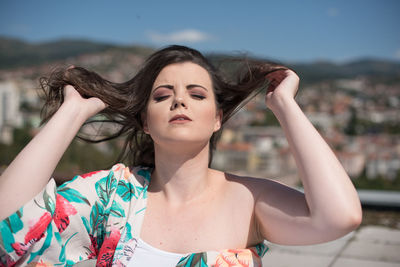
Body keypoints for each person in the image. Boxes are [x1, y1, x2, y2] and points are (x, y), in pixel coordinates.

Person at [0, 45, 362, 267]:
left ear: (218, 118)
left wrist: (284, 105)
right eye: (161, 96)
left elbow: (340, 217)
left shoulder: (249, 200)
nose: (179, 100)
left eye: (197, 94)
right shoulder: (114, 194)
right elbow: (7, 227)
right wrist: (73, 112)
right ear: (145, 121)